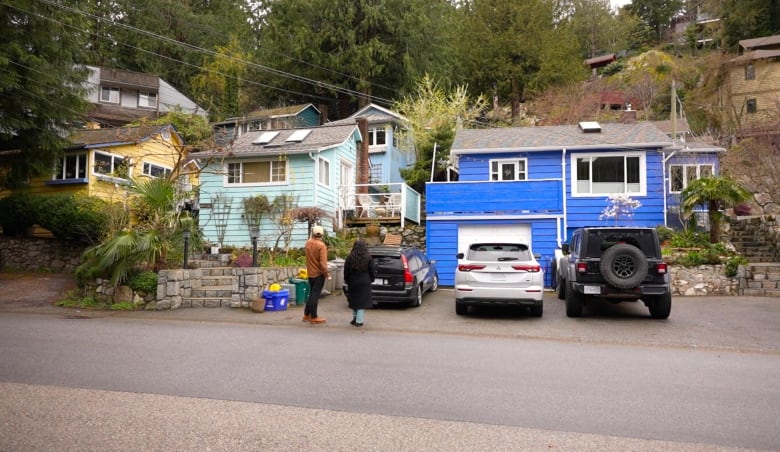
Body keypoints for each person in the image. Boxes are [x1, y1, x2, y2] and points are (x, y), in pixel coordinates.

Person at [343, 240, 375, 327]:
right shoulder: (368, 257)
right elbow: (371, 270)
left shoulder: (350, 257)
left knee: (354, 300)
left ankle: (354, 318)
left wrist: (347, 280)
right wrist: (371, 279)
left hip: (353, 281)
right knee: (362, 302)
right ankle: (359, 321)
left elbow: (346, 271)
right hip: (364, 281)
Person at [303, 225, 330, 324]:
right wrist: (327, 274)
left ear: (313, 233)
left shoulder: (308, 243)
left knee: (311, 294)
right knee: (315, 295)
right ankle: (313, 316)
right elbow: (323, 263)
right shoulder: (321, 246)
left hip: (310, 273)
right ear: (322, 234)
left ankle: (306, 314)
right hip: (319, 274)